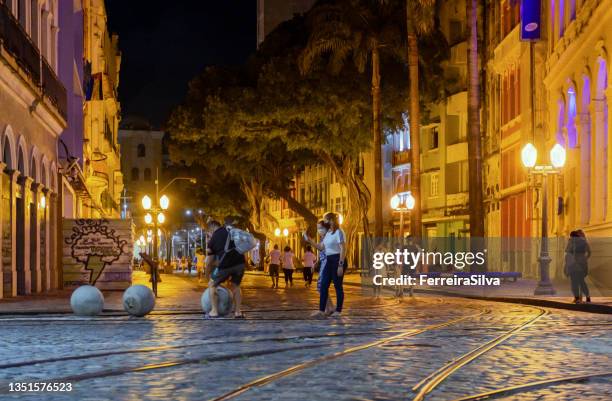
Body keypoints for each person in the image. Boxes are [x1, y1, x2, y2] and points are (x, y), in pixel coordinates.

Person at [205, 217, 246, 318]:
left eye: (208, 232)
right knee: (236, 286)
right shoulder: (230, 231)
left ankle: (214, 311)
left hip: (225, 265)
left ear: (212, 228)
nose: (209, 235)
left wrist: (207, 274)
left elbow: (209, 261)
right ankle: (238, 312)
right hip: (240, 263)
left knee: (212, 284)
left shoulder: (214, 238)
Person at [306, 213, 345, 318]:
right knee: (323, 285)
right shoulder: (328, 233)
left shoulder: (339, 232)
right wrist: (309, 240)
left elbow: (343, 249)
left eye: (325, 220)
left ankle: (338, 310)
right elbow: (321, 247)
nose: (325, 222)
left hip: (338, 259)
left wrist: (340, 265)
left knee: (338, 286)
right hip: (329, 260)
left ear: (331, 220)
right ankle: (321, 310)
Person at [565, 230, 591, 304]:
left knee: (575, 282)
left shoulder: (571, 242)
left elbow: (567, 254)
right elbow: (589, 252)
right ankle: (586, 296)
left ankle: (578, 298)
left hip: (575, 265)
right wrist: (584, 259)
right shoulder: (583, 242)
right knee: (581, 282)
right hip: (580, 265)